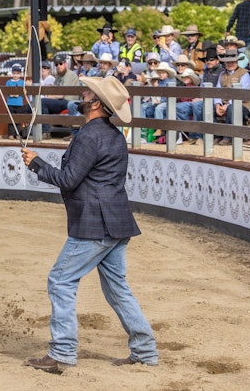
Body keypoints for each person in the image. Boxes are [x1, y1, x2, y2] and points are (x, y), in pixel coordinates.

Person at [21, 75, 158, 374]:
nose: (82, 94)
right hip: (116, 221)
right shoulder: (112, 135)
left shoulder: (89, 136)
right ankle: (145, 351)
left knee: (60, 280)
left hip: (95, 225)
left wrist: (37, 164)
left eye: (88, 92)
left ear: (95, 103)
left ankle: (61, 352)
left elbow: (69, 180)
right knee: (117, 289)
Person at [4, 64, 31, 140]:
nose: (15, 75)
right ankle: (11, 134)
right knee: (11, 120)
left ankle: (17, 134)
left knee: (18, 120)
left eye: (17, 73)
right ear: (12, 73)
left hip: (19, 104)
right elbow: (6, 91)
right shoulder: (8, 82)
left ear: (20, 74)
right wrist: (12, 94)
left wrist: (18, 93)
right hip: (10, 103)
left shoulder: (22, 82)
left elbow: (24, 91)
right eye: (14, 73)